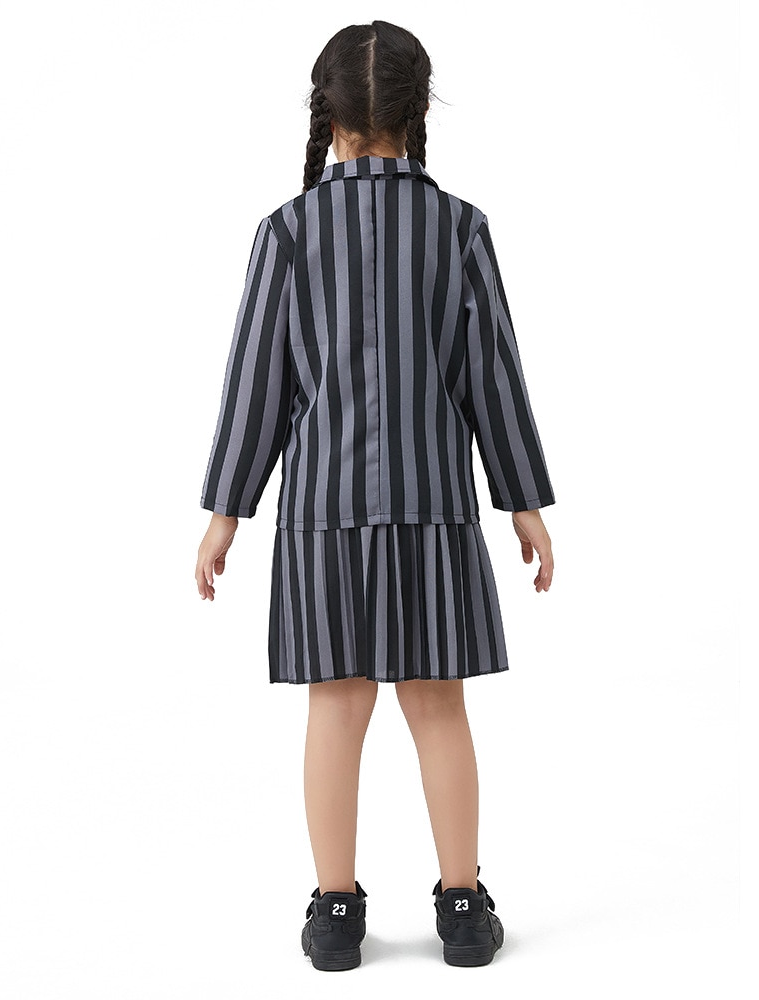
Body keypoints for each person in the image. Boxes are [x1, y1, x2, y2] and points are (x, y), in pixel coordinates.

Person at [194, 20, 556, 971]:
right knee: (439, 708)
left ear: (327, 114)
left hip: (320, 514)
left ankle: (335, 910)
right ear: (416, 109)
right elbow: (492, 376)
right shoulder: (459, 228)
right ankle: (463, 905)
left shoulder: (286, 232)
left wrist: (227, 512)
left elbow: (256, 382)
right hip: (435, 506)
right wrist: (523, 499)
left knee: (335, 708)